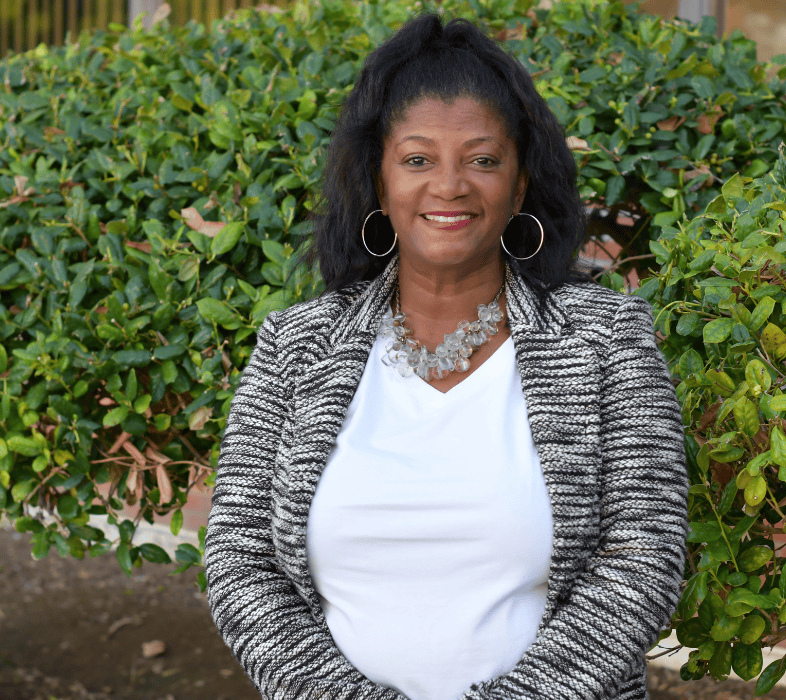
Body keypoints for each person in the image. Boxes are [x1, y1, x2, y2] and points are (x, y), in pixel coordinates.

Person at [205, 13, 688, 700]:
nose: (451, 185)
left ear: (520, 185)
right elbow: (239, 563)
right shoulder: (296, 347)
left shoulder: (607, 340)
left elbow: (643, 555)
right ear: (380, 183)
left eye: (483, 160)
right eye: (418, 159)